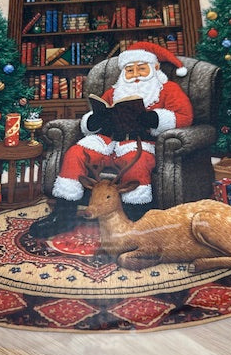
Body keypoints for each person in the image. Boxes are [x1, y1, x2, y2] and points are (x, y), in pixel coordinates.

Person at [29, 41, 193, 238]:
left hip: (142, 143)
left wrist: (156, 118)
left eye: (142, 68)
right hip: (109, 141)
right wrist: (94, 121)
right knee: (75, 153)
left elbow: (185, 116)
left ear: (155, 67)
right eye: (130, 70)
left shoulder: (169, 89)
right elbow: (98, 111)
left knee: (136, 163)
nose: (136, 75)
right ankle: (63, 217)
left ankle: (135, 220)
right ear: (123, 72)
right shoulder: (114, 91)